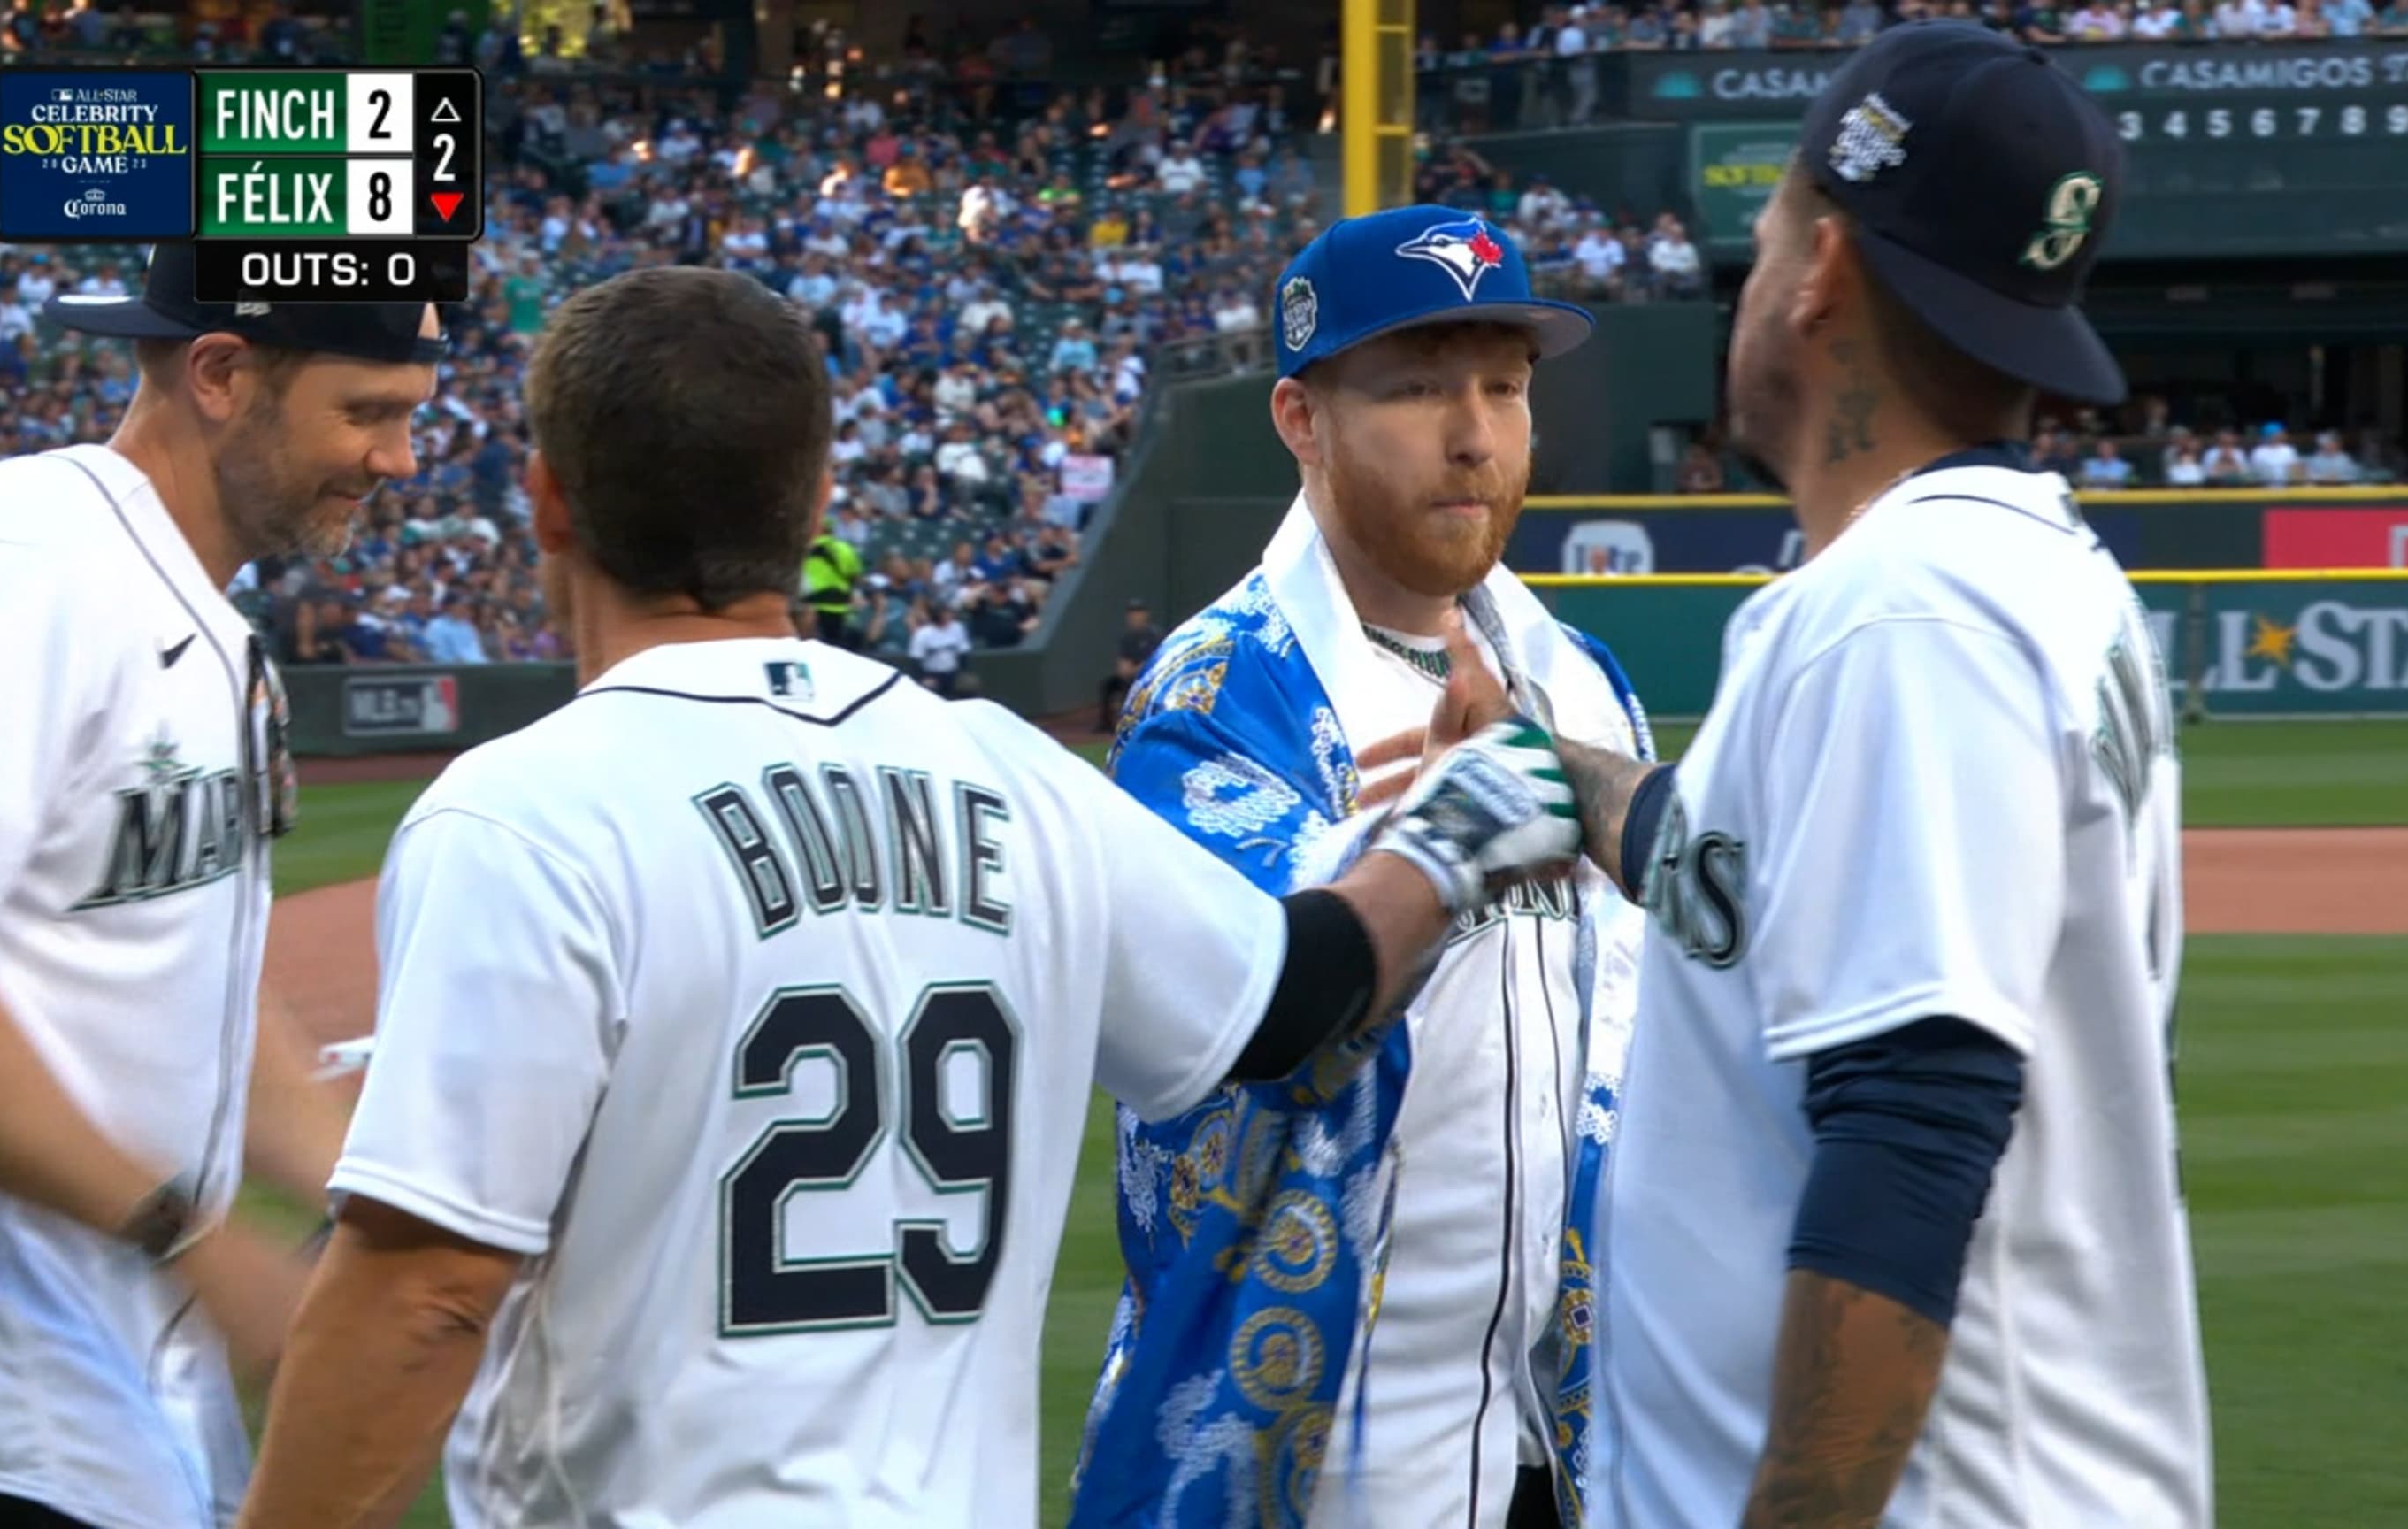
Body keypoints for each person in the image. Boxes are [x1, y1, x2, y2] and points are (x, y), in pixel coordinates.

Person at [231, 266, 1589, 1529]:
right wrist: (1466, 818)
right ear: (818, 503)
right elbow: (1294, 998)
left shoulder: (524, 815)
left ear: (545, 502)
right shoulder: (1002, 767)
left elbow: (424, 1297)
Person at [1484, 25, 2209, 1527]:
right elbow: (1755, 887)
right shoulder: (2029, 577)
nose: (1747, 286)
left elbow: (1912, 1127)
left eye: (1760, 246)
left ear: (1818, 270)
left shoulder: (1908, 612)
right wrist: (1564, 778)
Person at [1071, 205, 1657, 1529]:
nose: (1475, 434)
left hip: (1559, 1452)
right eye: (1414, 388)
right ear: (1301, 418)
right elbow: (1260, 996)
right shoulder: (1222, 693)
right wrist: (1447, 842)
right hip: (1314, 1459)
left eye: (1504, 387)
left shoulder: (1578, 682)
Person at [0, 245, 438, 1525]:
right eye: (367, 411)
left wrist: (363, 1189)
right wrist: (188, 1235)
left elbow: (186, 982)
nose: (398, 460)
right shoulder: (22, 570)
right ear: (220, 373)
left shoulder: (192, 612)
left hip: (106, 1353)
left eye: (408, 415)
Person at [1099, 596, 1162, 733]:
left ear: (1145, 615)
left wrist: (1137, 669)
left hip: (1150, 676)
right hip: (1131, 675)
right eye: (1132, 613)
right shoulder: (1127, 637)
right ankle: (1106, 725)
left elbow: (1155, 661)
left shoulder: (1153, 635)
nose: (1135, 616)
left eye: (1138, 612)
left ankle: (1138, 722)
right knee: (1108, 685)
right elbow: (1122, 662)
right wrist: (1125, 670)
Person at [803, 521, 864, 647]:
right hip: (840, 606)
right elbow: (856, 576)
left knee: (814, 646)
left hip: (812, 607)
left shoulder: (805, 548)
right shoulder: (846, 549)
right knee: (837, 646)